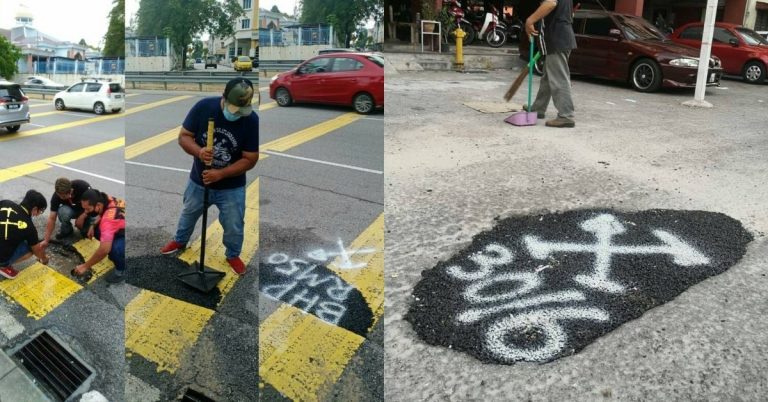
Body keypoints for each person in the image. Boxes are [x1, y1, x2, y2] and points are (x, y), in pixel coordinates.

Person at [160, 78, 259, 276]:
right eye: (234, 109)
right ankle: (180, 240)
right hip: (199, 180)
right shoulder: (204, 107)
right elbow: (184, 136)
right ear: (223, 98)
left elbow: (250, 158)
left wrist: (220, 173)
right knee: (188, 213)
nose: (238, 114)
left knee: (234, 224)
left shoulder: (251, 120)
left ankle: (232, 254)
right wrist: (199, 152)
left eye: (242, 109)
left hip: (232, 186)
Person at [524, 0, 577, 128]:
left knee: (559, 78)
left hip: (556, 39)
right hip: (560, 38)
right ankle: (538, 108)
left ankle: (566, 115)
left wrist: (529, 20)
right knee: (547, 78)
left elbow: (551, 3)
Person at [71, 189, 125, 284]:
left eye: (88, 209)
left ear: (98, 205)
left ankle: (121, 271)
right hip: (121, 225)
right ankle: (117, 253)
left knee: (114, 249)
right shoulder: (106, 198)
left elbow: (104, 250)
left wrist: (85, 266)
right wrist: (93, 225)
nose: (86, 212)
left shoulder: (108, 221)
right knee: (97, 231)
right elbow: (105, 212)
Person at [0, 190, 49, 279]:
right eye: (40, 211)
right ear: (34, 209)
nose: (38, 214)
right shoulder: (29, 228)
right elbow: (37, 250)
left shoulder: (5, 203)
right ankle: (3, 266)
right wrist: (44, 258)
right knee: (31, 248)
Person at [40, 177, 91, 248]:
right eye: (59, 195)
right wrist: (46, 240)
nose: (61, 198)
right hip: (72, 211)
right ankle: (67, 231)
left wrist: (83, 216)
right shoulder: (56, 196)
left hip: (86, 210)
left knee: (87, 232)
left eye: (63, 196)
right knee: (63, 212)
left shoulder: (83, 187)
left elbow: (93, 205)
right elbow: (52, 218)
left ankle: (85, 227)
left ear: (70, 191)